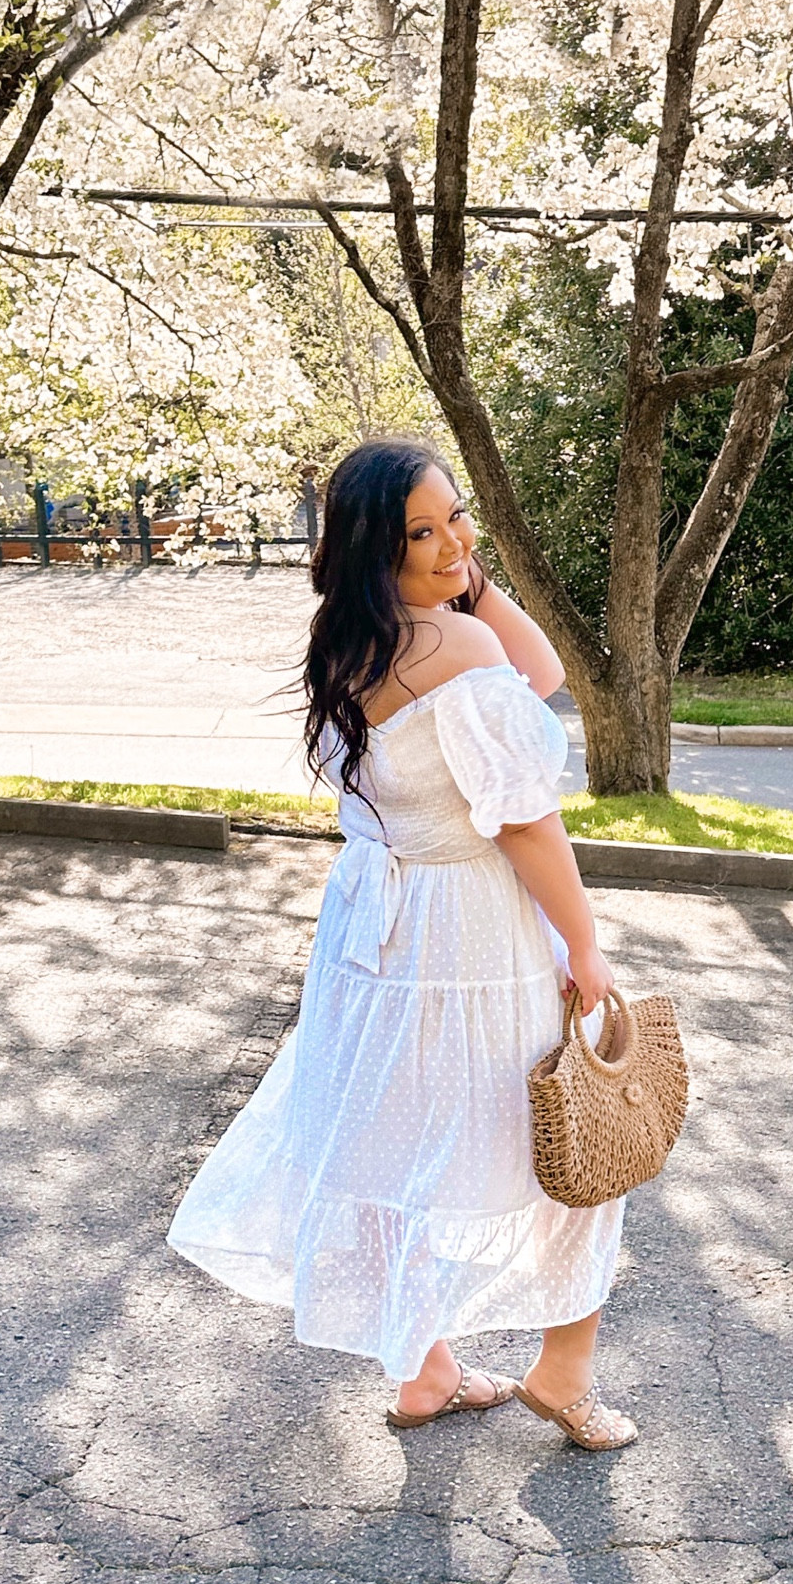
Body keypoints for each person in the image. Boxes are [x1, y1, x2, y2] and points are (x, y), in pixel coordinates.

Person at [167, 438, 636, 1450]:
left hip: (372, 936)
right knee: (572, 1137)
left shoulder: (349, 641)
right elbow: (524, 820)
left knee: (389, 1148)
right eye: (420, 531)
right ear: (375, 549)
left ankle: (425, 1371)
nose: (452, 540)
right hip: (470, 930)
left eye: (456, 515)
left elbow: (538, 672)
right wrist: (584, 942)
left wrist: (461, 569)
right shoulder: (455, 652)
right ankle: (562, 1373)